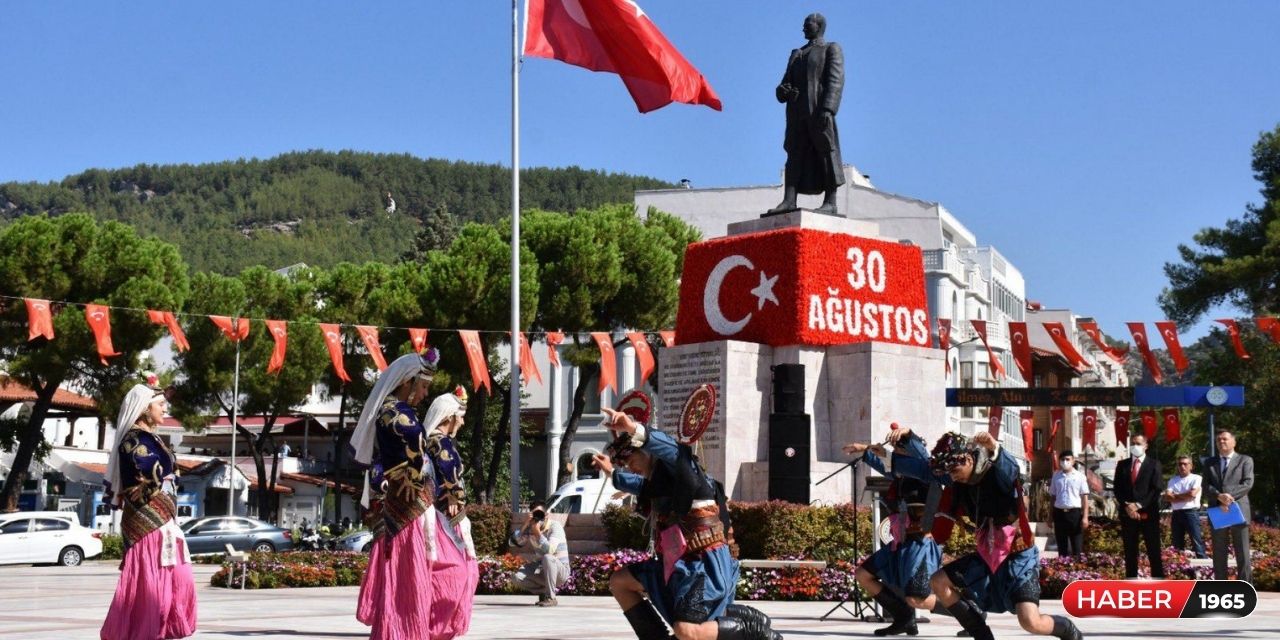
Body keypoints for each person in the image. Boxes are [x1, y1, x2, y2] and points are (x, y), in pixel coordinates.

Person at [592, 407, 781, 640]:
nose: (630, 467)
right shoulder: (661, 485)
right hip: (675, 564)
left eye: (631, 459)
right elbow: (640, 486)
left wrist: (633, 428)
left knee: (687, 631)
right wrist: (612, 473)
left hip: (703, 565)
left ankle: (754, 629)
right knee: (620, 581)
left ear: (649, 452)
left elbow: (673, 450)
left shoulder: (686, 471)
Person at [898, 431, 1082, 640]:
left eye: (955, 470)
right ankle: (982, 636)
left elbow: (1011, 471)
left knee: (1031, 622)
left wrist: (995, 449)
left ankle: (1068, 630)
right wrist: (907, 438)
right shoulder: (958, 479)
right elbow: (926, 467)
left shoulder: (996, 473)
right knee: (939, 582)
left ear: (968, 459)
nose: (952, 476)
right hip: (988, 555)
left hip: (1018, 557)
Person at [350, 350, 440, 640]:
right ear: (407, 382)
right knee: (407, 573)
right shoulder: (393, 414)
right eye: (423, 386)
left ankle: (406, 629)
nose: (425, 393)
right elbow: (411, 446)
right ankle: (402, 631)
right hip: (405, 506)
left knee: (412, 572)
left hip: (412, 504)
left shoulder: (400, 412)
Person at [101, 383, 197, 640]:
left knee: (177, 576)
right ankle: (143, 631)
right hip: (147, 520)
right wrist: (163, 476)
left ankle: (162, 629)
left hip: (164, 518)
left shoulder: (149, 437)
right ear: (145, 408)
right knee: (152, 583)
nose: (165, 408)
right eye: (160, 404)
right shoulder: (133, 440)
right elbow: (143, 473)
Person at [843, 427, 948, 636]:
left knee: (918, 598)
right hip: (900, 542)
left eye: (899, 448)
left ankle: (970, 612)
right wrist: (863, 450)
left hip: (921, 543)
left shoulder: (927, 472)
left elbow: (920, 454)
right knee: (863, 574)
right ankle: (903, 618)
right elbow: (881, 460)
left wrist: (907, 434)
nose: (894, 452)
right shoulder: (899, 473)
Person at [768, 12, 845, 216]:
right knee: (794, 154)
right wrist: (782, 91)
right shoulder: (796, 53)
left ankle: (830, 201)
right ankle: (789, 200)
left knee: (826, 152)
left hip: (818, 110)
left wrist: (828, 108)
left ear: (818, 26)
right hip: (796, 112)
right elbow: (783, 84)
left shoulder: (830, 49)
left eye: (807, 24)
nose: (803, 28)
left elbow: (835, 81)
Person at [424, 386, 480, 638]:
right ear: (449, 416)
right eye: (461, 416)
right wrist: (455, 493)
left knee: (461, 572)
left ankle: (440, 624)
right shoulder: (440, 442)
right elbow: (448, 472)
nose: (463, 421)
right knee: (457, 573)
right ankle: (437, 625)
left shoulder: (432, 442)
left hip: (445, 516)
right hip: (447, 519)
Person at [1204, 430, 1254, 582]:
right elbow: (1205, 485)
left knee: (1242, 552)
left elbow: (1247, 483)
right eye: (1218, 440)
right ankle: (1221, 587)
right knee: (1219, 553)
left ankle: (1245, 586)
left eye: (1225, 439)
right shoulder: (1209, 462)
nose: (1221, 442)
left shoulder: (1245, 460)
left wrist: (1228, 497)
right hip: (1218, 509)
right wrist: (1219, 496)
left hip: (1238, 508)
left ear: (1234, 442)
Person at [1113, 434, 1164, 579]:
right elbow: (1117, 489)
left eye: (1139, 443)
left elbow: (1156, 489)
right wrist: (1127, 506)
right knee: (1130, 551)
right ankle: (1131, 580)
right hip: (1128, 515)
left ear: (1146, 445)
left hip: (1149, 514)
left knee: (1153, 550)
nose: (1135, 446)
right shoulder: (1122, 465)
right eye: (1133, 443)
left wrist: (1139, 505)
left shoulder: (1154, 464)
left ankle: (1158, 581)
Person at [509, 501, 570, 606]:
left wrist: (537, 533)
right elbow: (512, 543)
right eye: (534, 514)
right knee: (516, 577)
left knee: (547, 557)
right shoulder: (531, 527)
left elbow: (550, 550)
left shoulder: (555, 526)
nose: (538, 517)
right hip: (542, 569)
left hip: (560, 571)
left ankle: (551, 598)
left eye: (540, 513)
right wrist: (525, 524)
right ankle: (543, 593)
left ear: (546, 515)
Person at [1048, 450, 1090, 557]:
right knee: (1062, 546)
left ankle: (1077, 571)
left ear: (1073, 461)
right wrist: (1050, 516)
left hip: (1074, 514)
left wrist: (1085, 517)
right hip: (1059, 513)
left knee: (1076, 546)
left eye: (1067, 459)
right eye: (1062, 459)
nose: (1065, 462)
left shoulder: (1080, 476)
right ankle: (1062, 570)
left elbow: (1085, 498)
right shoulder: (1056, 476)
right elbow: (1053, 497)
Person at [1165, 455, 1206, 559]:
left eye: (1185, 464)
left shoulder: (1196, 478)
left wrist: (1176, 496)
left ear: (1191, 466)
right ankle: (1179, 565)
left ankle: (1203, 563)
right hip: (1176, 513)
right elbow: (1167, 497)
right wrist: (1185, 495)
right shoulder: (1172, 480)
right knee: (1177, 542)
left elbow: (1192, 494)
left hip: (1191, 512)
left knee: (1196, 540)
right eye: (1180, 464)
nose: (1182, 466)